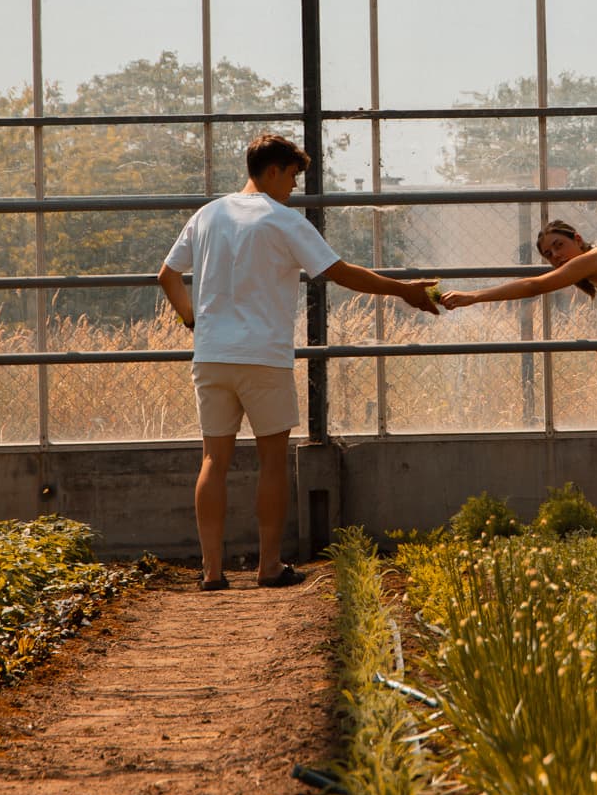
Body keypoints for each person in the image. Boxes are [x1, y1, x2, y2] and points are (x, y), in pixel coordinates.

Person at [158, 131, 438, 591]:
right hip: (264, 357)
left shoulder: (208, 215)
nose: (293, 186)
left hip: (211, 357)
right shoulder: (283, 220)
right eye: (291, 175)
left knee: (213, 460)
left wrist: (193, 321)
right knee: (271, 462)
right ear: (272, 170)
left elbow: (167, 276)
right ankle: (269, 566)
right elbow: (339, 272)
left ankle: (211, 572)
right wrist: (403, 289)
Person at [438, 221, 597, 538]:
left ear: (578, 240)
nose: (555, 256)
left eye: (559, 245)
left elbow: (534, 286)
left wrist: (473, 297)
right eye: (548, 254)